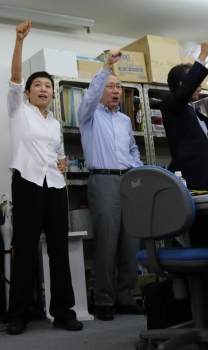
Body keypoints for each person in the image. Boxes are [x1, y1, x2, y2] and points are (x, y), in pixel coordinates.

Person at [5, 21, 83, 335]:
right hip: (27, 183)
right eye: (37, 85)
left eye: (48, 86)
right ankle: (18, 314)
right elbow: (14, 77)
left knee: (58, 250)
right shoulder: (18, 111)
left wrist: (62, 161)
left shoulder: (54, 122)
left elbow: (59, 153)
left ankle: (63, 311)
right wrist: (19, 41)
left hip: (55, 187)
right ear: (27, 92)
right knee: (24, 249)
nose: (43, 89)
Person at [77, 50, 143, 321]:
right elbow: (91, 96)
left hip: (130, 180)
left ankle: (125, 296)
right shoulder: (89, 115)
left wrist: (138, 167)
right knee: (106, 242)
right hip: (103, 179)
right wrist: (106, 67)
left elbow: (133, 148)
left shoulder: (125, 120)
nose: (116, 91)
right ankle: (104, 299)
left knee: (131, 242)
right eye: (110, 86)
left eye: (119, 87)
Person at [161, 41, 208, 191]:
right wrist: (203, 56)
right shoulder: (170, 104)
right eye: (196, 83)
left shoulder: (197, 114)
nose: (200, 87)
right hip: (190, 179)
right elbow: (187, 89)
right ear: (182, 84)